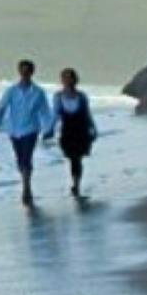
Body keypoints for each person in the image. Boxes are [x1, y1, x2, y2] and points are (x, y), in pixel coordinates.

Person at [0, 59, 54, 205]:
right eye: (22, 71)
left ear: (32, 72)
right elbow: (1, 107)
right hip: (14, 130)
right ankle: (25, 182)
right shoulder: (11, 91)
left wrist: (48, 129)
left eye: (27, 71)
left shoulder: (38, 92)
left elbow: (45, 112)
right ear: (19, 72)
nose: (25, 74)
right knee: (20, 160)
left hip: (31, 129)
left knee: (27, 158)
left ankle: (26, 188)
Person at [52, 67, 98, 198]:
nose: (67, 80)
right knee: (73, 158)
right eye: (65, 78)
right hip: (67, 131)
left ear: (75, 80)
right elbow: (55, 114)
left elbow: (87, 114)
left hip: (81, 130)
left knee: (76, 159)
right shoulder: (58, 97)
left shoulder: (82, 96)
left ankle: (76, 184)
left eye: (70, 77)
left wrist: (93, 128)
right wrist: (49, 129)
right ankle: (76, 182)